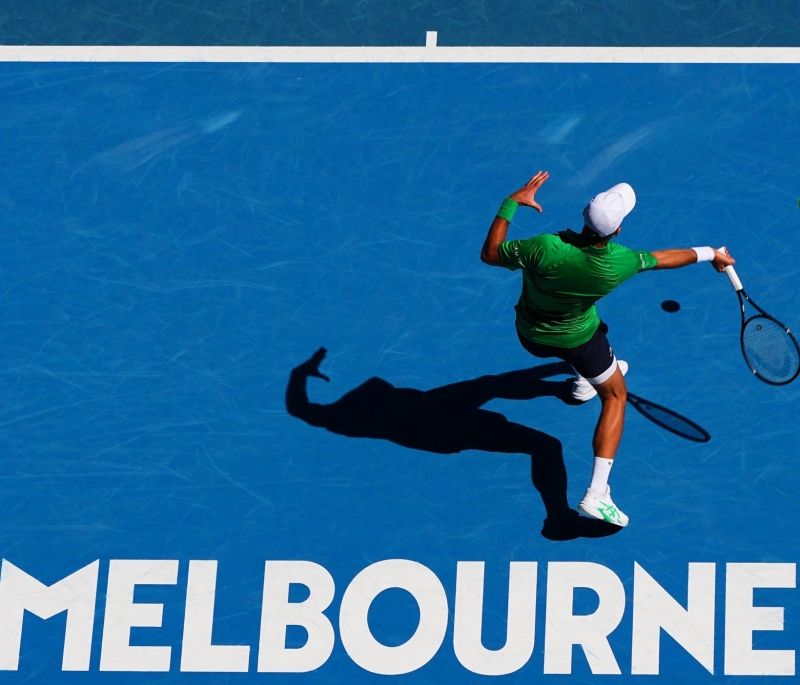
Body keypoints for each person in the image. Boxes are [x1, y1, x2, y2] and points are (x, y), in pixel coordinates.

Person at [480, 171, 735, 527]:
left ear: (584, 214)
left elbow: (490, 254)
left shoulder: (544, 247)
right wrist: (712, 253)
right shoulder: (622, 261)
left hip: (530, 335)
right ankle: (597, 493)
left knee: (589, 340)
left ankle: (583, 382)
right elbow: (663, 258)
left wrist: (511, 202)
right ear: (616, 230)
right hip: (579, 341)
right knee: (615, 394)